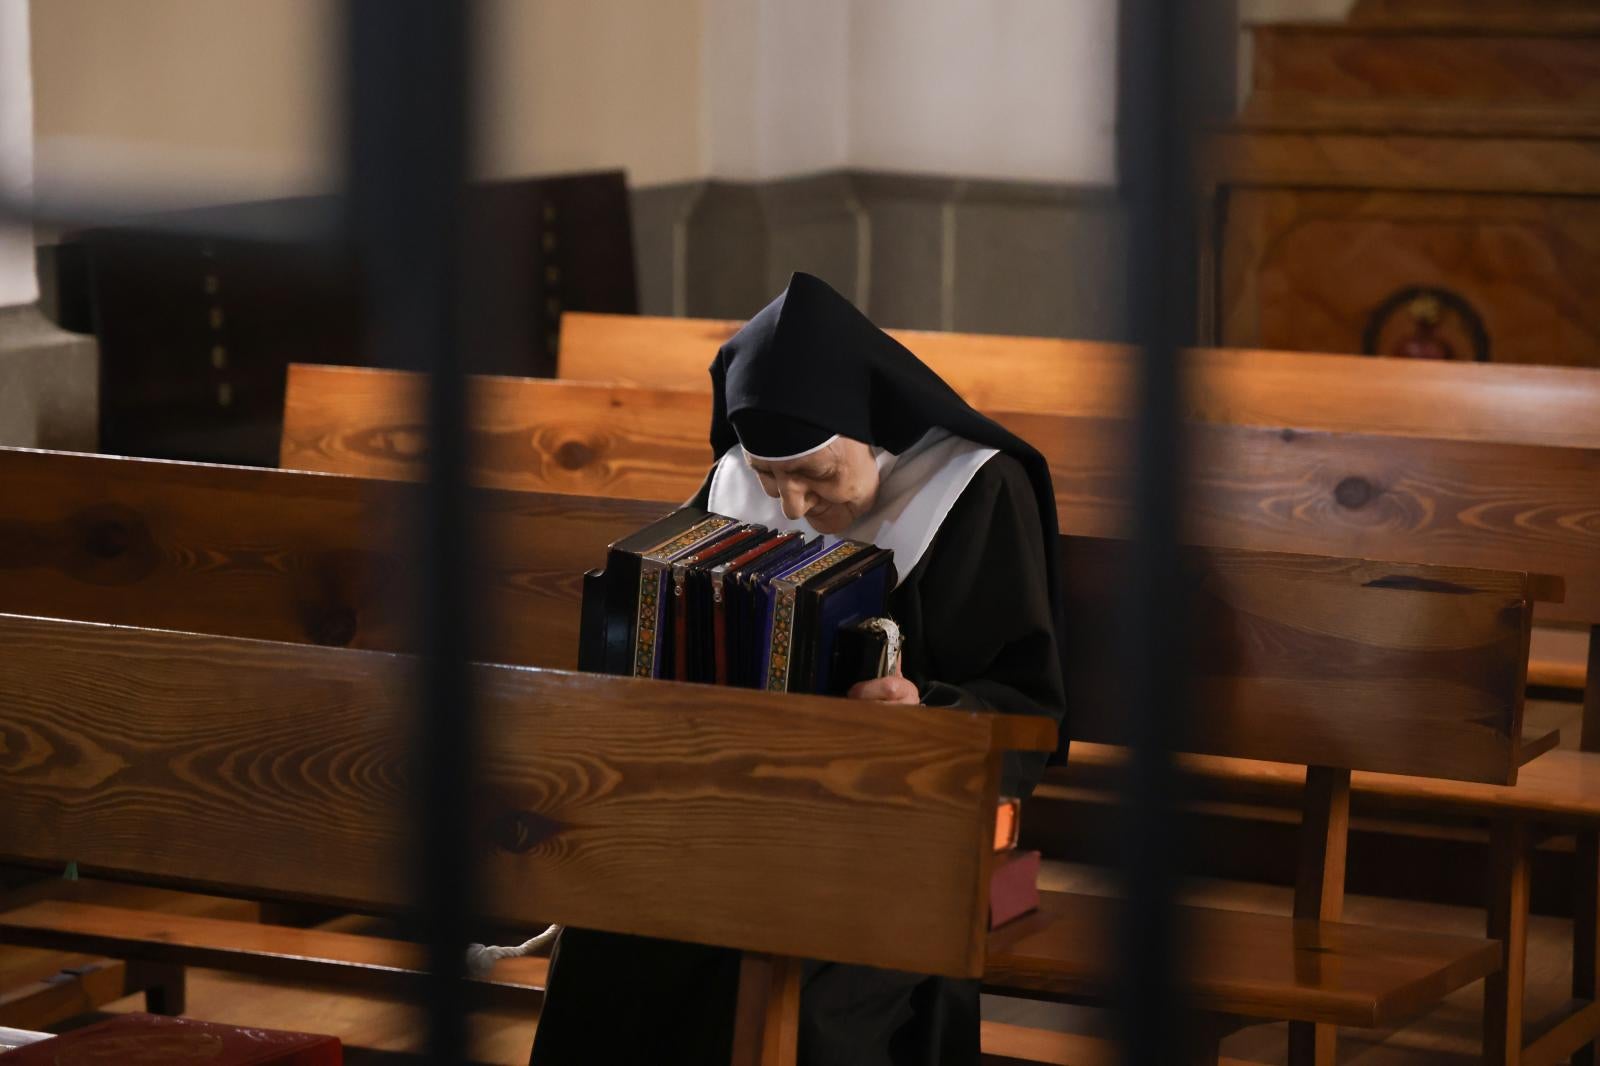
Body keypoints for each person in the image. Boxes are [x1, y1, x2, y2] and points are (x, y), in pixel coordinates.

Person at [529, 272, 1066, 1066]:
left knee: (802, 1002)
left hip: (905, 833)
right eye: (770, 476)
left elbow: (1029, 709)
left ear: (871, 429)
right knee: (611, 949)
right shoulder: (733, 487)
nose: (788, 507)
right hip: (736, 818)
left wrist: (928, 716)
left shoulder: (974, 491)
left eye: (814, 475)